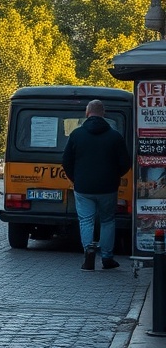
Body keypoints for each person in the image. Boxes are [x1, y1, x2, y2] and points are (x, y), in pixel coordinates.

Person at [62, 99, 130, 270]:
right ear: (104, 113)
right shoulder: (115, 136)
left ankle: (89, 253)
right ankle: (107, 258)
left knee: (86, 220)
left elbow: (66, 161)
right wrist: (114, 176)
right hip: (108, 187)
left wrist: (76, 178)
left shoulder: (76, 135)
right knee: (107, 220)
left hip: (83, 187)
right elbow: (125, 162)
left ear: (87, 113)